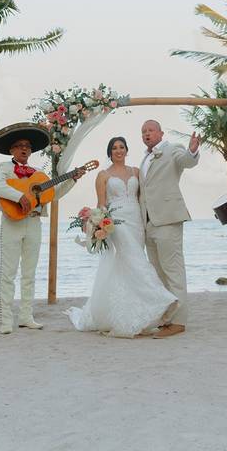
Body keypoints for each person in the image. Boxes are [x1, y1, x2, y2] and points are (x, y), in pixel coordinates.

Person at [67, 137, 178, 337]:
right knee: (135, 260)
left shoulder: (136, 171)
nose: (118, 150)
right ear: (109, 152)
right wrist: (98, 223)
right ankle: (160, 297)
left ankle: (131, 310)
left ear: (127, 150)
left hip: (136, 220)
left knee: (128, 264)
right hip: (116, 223)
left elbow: (142, 197)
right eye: (114, 148)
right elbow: (101, 203)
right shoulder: (103, 175)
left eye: (122, 147)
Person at [0, 122, 86, 334]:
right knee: (8, 273)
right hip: (12, 222)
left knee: (29, 273)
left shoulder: (38, 174)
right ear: (12, 150)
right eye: (20, 145)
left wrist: (72, 180)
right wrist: (19, 195)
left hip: (33, 222)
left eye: (28, 146)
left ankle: (25, 316)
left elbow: (54, 194)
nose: (24, 149)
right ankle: (6, 319)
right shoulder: (3, 169)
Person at [138, 120, 201, 338]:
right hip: (149, 223)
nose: (147, 134)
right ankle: (167, 319)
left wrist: (192, 150)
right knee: (159, 275)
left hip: (168, 219)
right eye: (143, 131)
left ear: (160, 133)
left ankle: (179, 321)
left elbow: (186, 161)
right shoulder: (144, 158)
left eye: (150, 130)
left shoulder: (172, 149)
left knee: (173, 272)